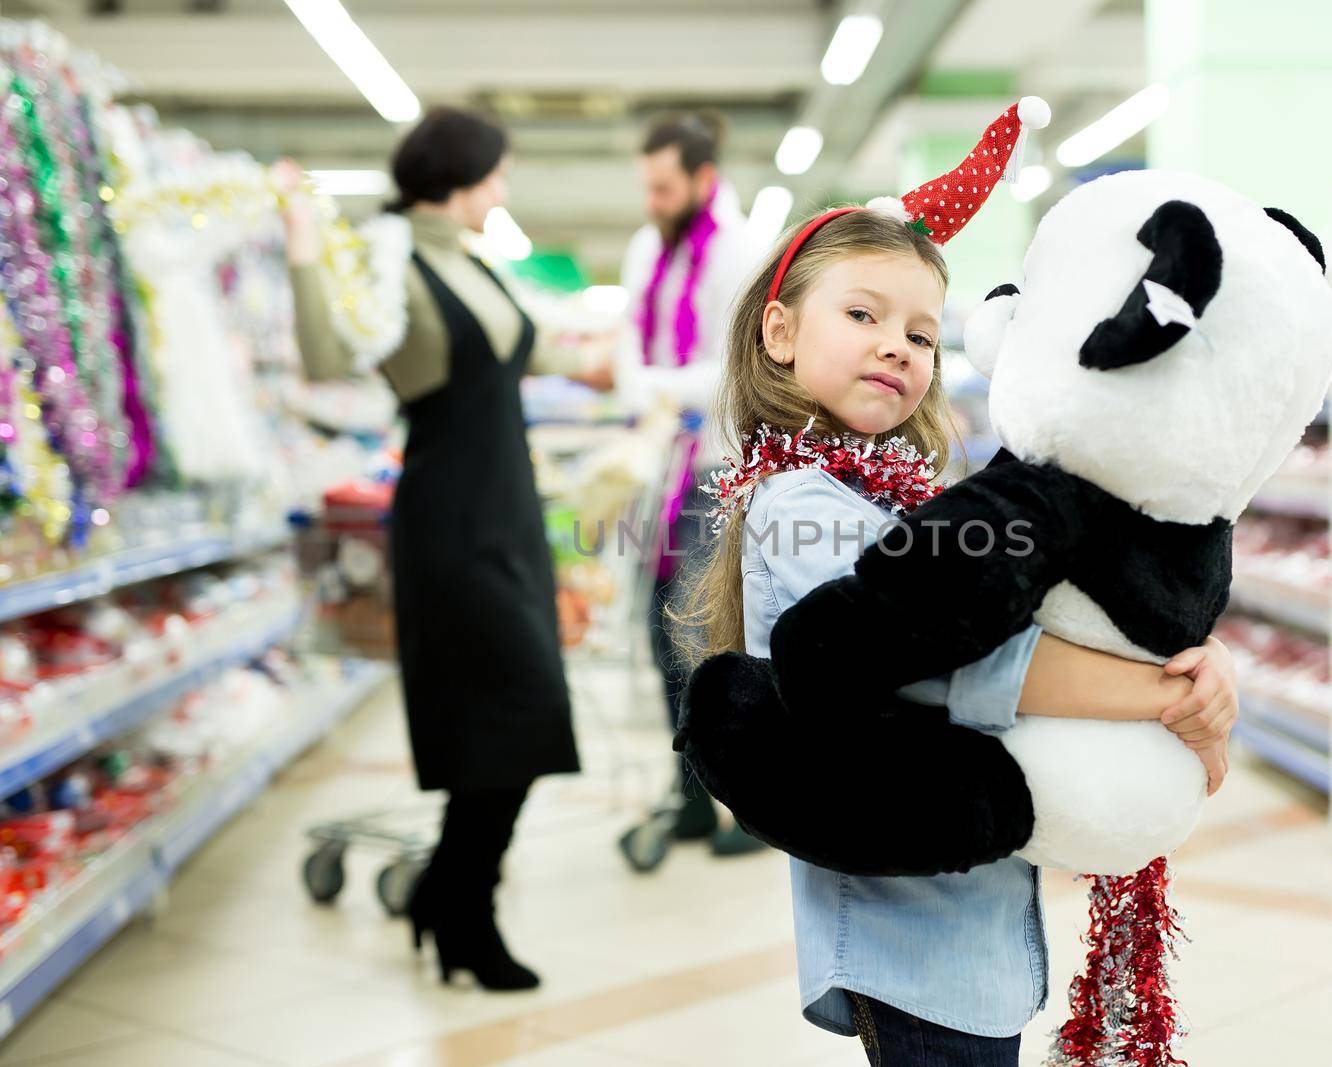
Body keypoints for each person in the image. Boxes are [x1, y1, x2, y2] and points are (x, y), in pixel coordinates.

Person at [676, 204, 1238, 1064]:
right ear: (780, 332)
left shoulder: (905, 501)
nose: (899, 345)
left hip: (958, 918)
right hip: (914, 936)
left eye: (923, 334)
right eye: (863, 315)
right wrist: (1163, 696)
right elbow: (953, 661)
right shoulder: (803, 502)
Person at [277, 107, 580, 992]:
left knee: (513, 719)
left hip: (507, 506)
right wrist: (302, 245)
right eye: (495, 175)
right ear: (455, 177)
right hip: (451, 514)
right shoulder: (389, 256)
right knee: (511, 713)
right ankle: (464, 909)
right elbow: (328, 352)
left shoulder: (468, 260)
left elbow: (518, 351)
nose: (502, 191)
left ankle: (449, 902)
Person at [611, 110, 761, 854]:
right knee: (657, 629)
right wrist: (648, 386)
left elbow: (737, 363)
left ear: (703, 180)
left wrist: (660, 385)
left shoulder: (740, 250)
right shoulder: (650, 248)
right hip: (661, 466)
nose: (653, 201)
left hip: (717, 469)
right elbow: (626, 350)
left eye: (664, 187)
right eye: (646, 186)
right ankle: (692, 795)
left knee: (705, 635)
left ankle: (747, 805)